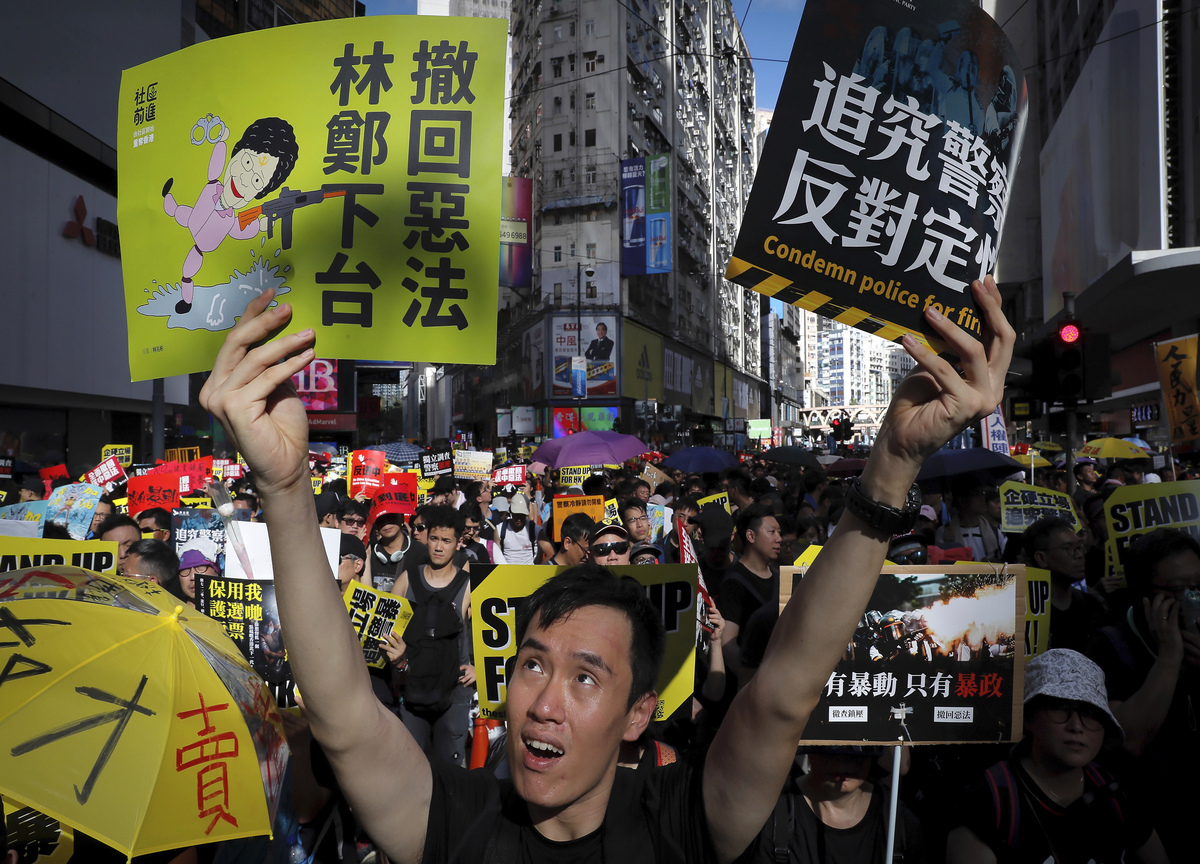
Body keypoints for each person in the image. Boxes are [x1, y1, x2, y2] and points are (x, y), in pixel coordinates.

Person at [199, 274, 1011, 864]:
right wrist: (285, 490)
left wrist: (892, 468)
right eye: (532, 665)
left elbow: (785, 692)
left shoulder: (683, 823)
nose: (545, 704)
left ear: (638, 714)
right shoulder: (455, 821)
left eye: (586, 677)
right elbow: (342, 714)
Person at [947, 649, 1167, 864]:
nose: (1076, 726)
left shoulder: (1117, 795)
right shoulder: (988, 803)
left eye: (1091, 713)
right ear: (1028, 718)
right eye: (1060, 708)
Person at [1085, 528, 1200, 862]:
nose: (1193, 598)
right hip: (1151, 816)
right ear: (1142, 592)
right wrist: (1169, 660)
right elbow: (1129, 739)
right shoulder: (1107, 645)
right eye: (1178, 589)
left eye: (1198, 586)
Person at [162, 115, 298, 314]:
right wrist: (221, 141)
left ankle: (186, 302)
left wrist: (261, 225)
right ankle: (166, 196)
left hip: (200, 248)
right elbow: (215, 167)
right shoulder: (212, 185)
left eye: (257, 181)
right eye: (247, 162)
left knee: (187, 272)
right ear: (235, 155)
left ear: (260, 193)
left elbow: (242, 229)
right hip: (191, 217)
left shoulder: (231, 221)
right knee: (176, 211)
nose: (244, 179)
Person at [381, 504, 474, 767]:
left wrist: (478, 667)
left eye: (446, 540)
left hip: (454, 693)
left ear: (458, 543)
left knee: (451, 771)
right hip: (412, 691)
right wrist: (397, 658)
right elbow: (386, 632)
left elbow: (490, 634)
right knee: (409, 768)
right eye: (434, 538)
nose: (439, 547)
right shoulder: (406, 580)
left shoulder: (469, 585)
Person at [744, 746, 925, 864]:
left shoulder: (899, 823)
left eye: (856, 754)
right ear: (811, 751)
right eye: (830, 752)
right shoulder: (775, 817)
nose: (842, 763)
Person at [718, 505, 782, 683]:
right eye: (772, 532)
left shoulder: (779, 577)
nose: (779, 538)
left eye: (779, 532)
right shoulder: (734, 582)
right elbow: (728, 644)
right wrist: (753, 681)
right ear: (751, 536)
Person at [1022, 517, 1104, 652]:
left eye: (1080, 547)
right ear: (1041, 558)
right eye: (1068, 548)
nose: (1079, 555)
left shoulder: (1092, 605)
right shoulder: (1024, 614)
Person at [177, 539, 220, 608]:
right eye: (185, 570)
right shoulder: (170, 613)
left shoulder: (233, 613)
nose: (193, 577)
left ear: (216, 571)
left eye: (200, 568)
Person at [499, 493, 538, 565]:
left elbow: (549, 552)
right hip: (507, 571)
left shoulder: (535, 529)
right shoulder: (500, 529)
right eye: (516, 515)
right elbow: (497, 556)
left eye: (522, 515)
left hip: (530, 571)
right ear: (510, 511)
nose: (519, 519)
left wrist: (538, 565)